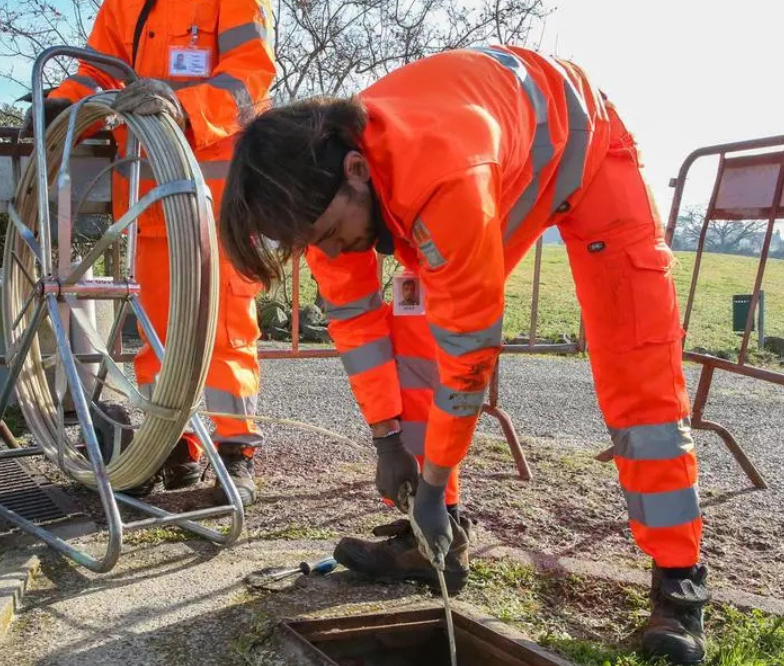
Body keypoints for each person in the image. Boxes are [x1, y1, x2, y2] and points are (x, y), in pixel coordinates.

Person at [217, 44, 709, 665]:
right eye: (314, 243)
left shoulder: (441, 175)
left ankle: (680, 580)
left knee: (637, 360)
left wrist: (433, 477)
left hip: (586, 151)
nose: (332, 250)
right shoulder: (314, 205)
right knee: (416, 330)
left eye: (329, 235)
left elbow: (471, 354)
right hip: (487, 157)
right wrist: (386, 440)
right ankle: (435, 544)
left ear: (355, 171)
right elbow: (357, 327)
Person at [25, 0, 277, 505]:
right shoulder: (125, 5)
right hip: (150, 200)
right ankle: (175, 451)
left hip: (220, 205)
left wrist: (184, 107)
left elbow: (250, 78)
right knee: (159, 340)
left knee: (224, 334)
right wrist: (62, 103)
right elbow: (97, 76)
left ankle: (235, 452)